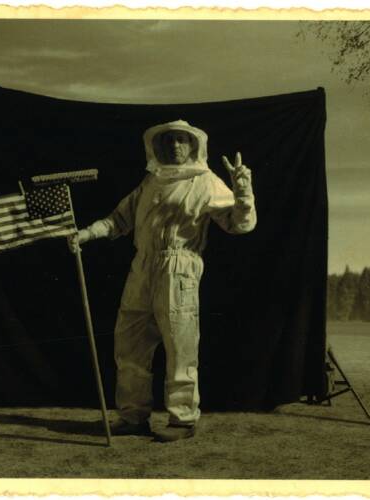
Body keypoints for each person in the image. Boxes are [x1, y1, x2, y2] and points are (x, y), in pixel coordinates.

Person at [68, 119, 257, 442]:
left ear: (193, 145)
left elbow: (240, 224)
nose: (175, 146)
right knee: (129, 344)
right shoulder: (151, 182)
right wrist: (86, 233)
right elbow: (118, 220)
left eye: (182, 140)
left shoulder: (205, 182)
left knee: (180, 346)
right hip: (142, 268)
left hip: (179, 268)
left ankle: (182, 419)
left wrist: (243, 192)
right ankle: (132, 416)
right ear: (157, 146)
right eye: (169, 140)